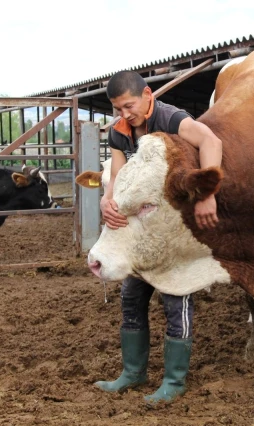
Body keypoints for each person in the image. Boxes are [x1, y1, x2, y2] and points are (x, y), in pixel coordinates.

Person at [95, 70, 222, 404]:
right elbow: (118, 175)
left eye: (129, 106)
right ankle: (132, 373)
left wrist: (209, 194)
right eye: (117, 109)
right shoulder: (121, 133)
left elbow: (212, 141)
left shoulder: (171, 118)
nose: (124, 115)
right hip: (140, 234)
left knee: (174, 296)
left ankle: (174, 381)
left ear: (147, 94)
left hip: (174, 231)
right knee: (131, 298)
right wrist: (107, 200)